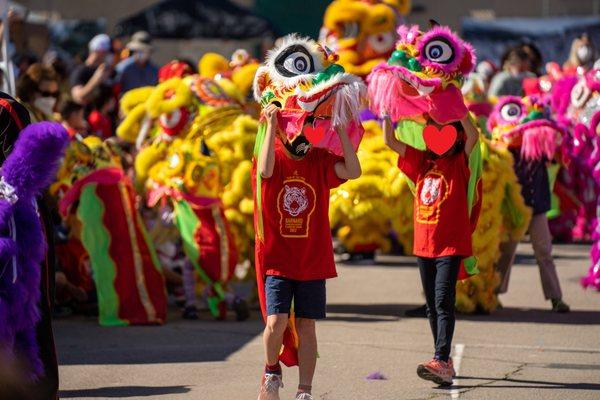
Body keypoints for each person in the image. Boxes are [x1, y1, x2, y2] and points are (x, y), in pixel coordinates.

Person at [255, 104, 361, 400]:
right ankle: (271, 371)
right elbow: (264, 171)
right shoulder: (273, 154)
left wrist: (341, 133)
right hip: (279, 259)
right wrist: (270, 125)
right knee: (275, 322)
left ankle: (305, 390)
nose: (300, 134)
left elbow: (353, 171)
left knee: (306, 325)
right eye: (295, 127)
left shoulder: (319, 159)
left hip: (312, 260)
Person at [382, 113, 479, 386]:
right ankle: (444, 361)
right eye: (432, 127)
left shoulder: (460, 161)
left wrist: (456, 108)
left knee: (442, 302)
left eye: (443, 126)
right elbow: (390, 140)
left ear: (456, 134)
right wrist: (388, 111)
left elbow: (474, 136)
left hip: (450, 244)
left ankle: (440, 357)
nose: (435, 131)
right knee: (431, 307)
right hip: (423, 245)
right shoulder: (421, 160)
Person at [495, 145, 571, 313]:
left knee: (544, 251)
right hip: (514, 207)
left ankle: (555, 297)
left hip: (537, 206)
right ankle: (493, 294)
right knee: (506, 251)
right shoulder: (508, 143)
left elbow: (559, 158)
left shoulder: (541, 145)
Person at [70, 33, 114, 106]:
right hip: (88, 116)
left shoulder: (108, 71)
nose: (109, 55)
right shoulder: (80, 71)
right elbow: (79, 97)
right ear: (99, 51)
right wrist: (96, 79)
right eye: (107, 52)